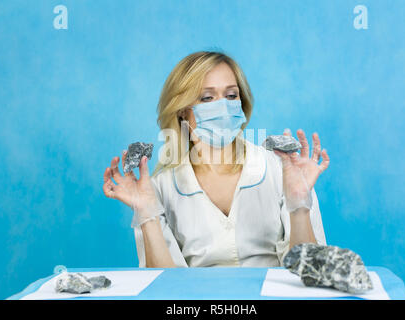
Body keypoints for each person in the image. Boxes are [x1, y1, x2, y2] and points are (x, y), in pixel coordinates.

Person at [103, 51, 330, 268]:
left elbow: (308, 273)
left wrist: (300, 202)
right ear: (182, 110)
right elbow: (164, 285)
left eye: (231, 95)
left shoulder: (280, 169)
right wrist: (147, 213)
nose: (222, 106)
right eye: (207, 98)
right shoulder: (160, 187)